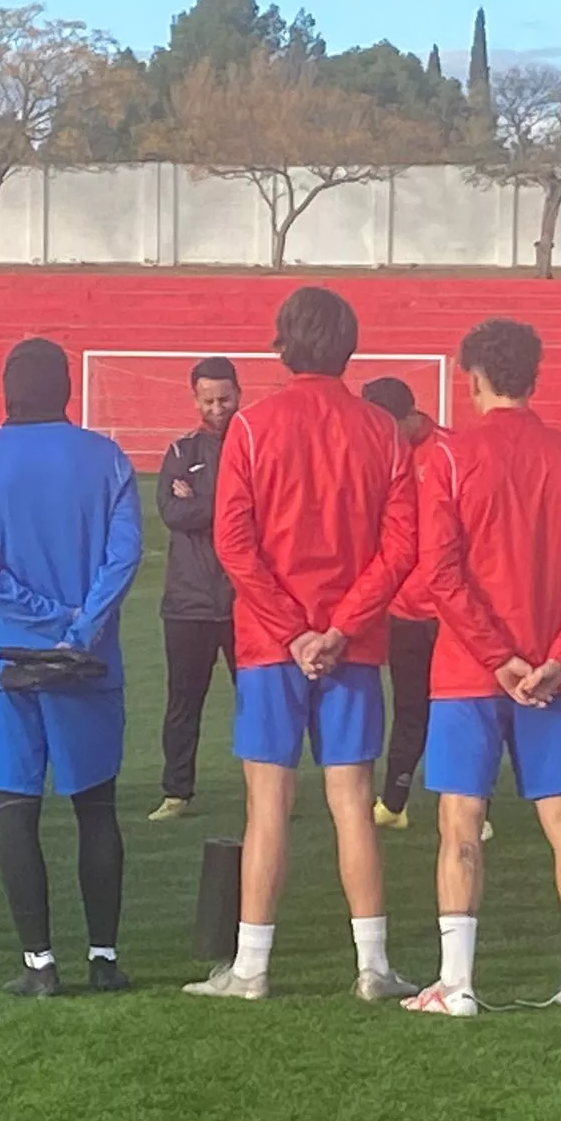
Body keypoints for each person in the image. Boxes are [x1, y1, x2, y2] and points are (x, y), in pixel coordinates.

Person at [186, 287, 421, 1004]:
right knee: (352, 800)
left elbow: (234, 541)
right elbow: (401, 543)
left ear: (283, 344)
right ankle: (373, 964)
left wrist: (293, 630)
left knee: (268, 804)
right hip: (350, 646)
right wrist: (341, 626)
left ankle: (253, 966)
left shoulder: (253, 429)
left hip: (269, 646)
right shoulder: (381, 430)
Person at [400, 320, 561, 1019]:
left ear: (472, 378)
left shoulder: (451, 460)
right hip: (552, 676)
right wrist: (558, 657)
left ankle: (457, 983)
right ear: (535, 375)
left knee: (460, 819)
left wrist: (500, 659)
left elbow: (441, 573)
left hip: (472, 671)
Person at [0, 339, 142, 996]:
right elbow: (124, 556)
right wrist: (79, 624)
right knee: (97, 807)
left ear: (7, 390)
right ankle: (105, 958)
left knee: (15, 812)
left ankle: (39, 965)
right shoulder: (108, 461)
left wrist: (37, 611)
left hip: (3, 660)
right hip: (86, 659)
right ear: (66, 388)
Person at [150, 356, 239, 822]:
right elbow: (171, 511)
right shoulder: (181, 451)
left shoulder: (256, 444)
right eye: (208, 400)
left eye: (224, 398)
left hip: (247, 602)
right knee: (183, 702)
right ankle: (176, 792)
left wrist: (202, 500)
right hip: (187, 603)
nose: (217, 407)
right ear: (195, 399)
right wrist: (227, 503)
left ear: (239, 394)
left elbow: (262, 509)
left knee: (259, 702)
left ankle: (267, 787)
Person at [361, 376, 444, 831]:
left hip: (454, 611)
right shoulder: (377, 454)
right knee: (410, 707)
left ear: (408, 417)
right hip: (403, 610)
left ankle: (476, 806)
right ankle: (394, 803)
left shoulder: (452, 452)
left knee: (461, 708)